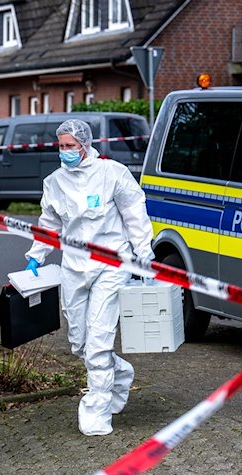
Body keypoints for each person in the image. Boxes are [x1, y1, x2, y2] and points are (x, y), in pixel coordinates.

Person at [24, 119, 154, 436]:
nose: (65, 152)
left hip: (111, 262)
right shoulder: (54, 182)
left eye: (71, 146)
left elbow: (134, 209)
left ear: (85, 144)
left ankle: (97, 409)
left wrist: (143, 250)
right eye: (61, 146)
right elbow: (49, 222)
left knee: (98, 341)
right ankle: (119, 374)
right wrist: (36, 255)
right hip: (74, 264)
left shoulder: (112, 173)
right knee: (79, 341)